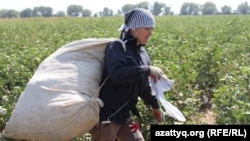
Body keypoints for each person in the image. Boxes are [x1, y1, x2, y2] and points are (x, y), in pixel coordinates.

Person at [90, 8, 165, 141]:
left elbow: (143, 85)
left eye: (152, 29)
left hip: (125, 115)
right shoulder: (117, 47)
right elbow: (117, 75)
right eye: (147, 28)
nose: (150, 33)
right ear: (134, 29)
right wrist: (147, 70)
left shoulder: (142, 53)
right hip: (108, 115)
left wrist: (155, 105)